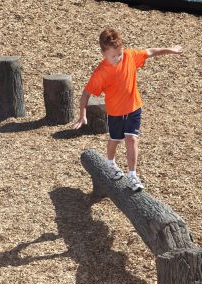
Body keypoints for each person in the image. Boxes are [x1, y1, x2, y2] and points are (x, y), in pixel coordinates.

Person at [73, 28, 183, 191]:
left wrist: (170, 50)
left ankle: (132, 175)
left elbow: (150, 52)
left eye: (120, 54)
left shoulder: (130, 56)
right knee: (115, 139)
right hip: (115, 113)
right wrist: (82, 114)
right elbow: (86, 93)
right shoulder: (100, 73)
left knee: (131, 139)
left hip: (134, 108)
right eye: (113, 56)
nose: (118, 58)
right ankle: (110, 163)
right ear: (104, 54)